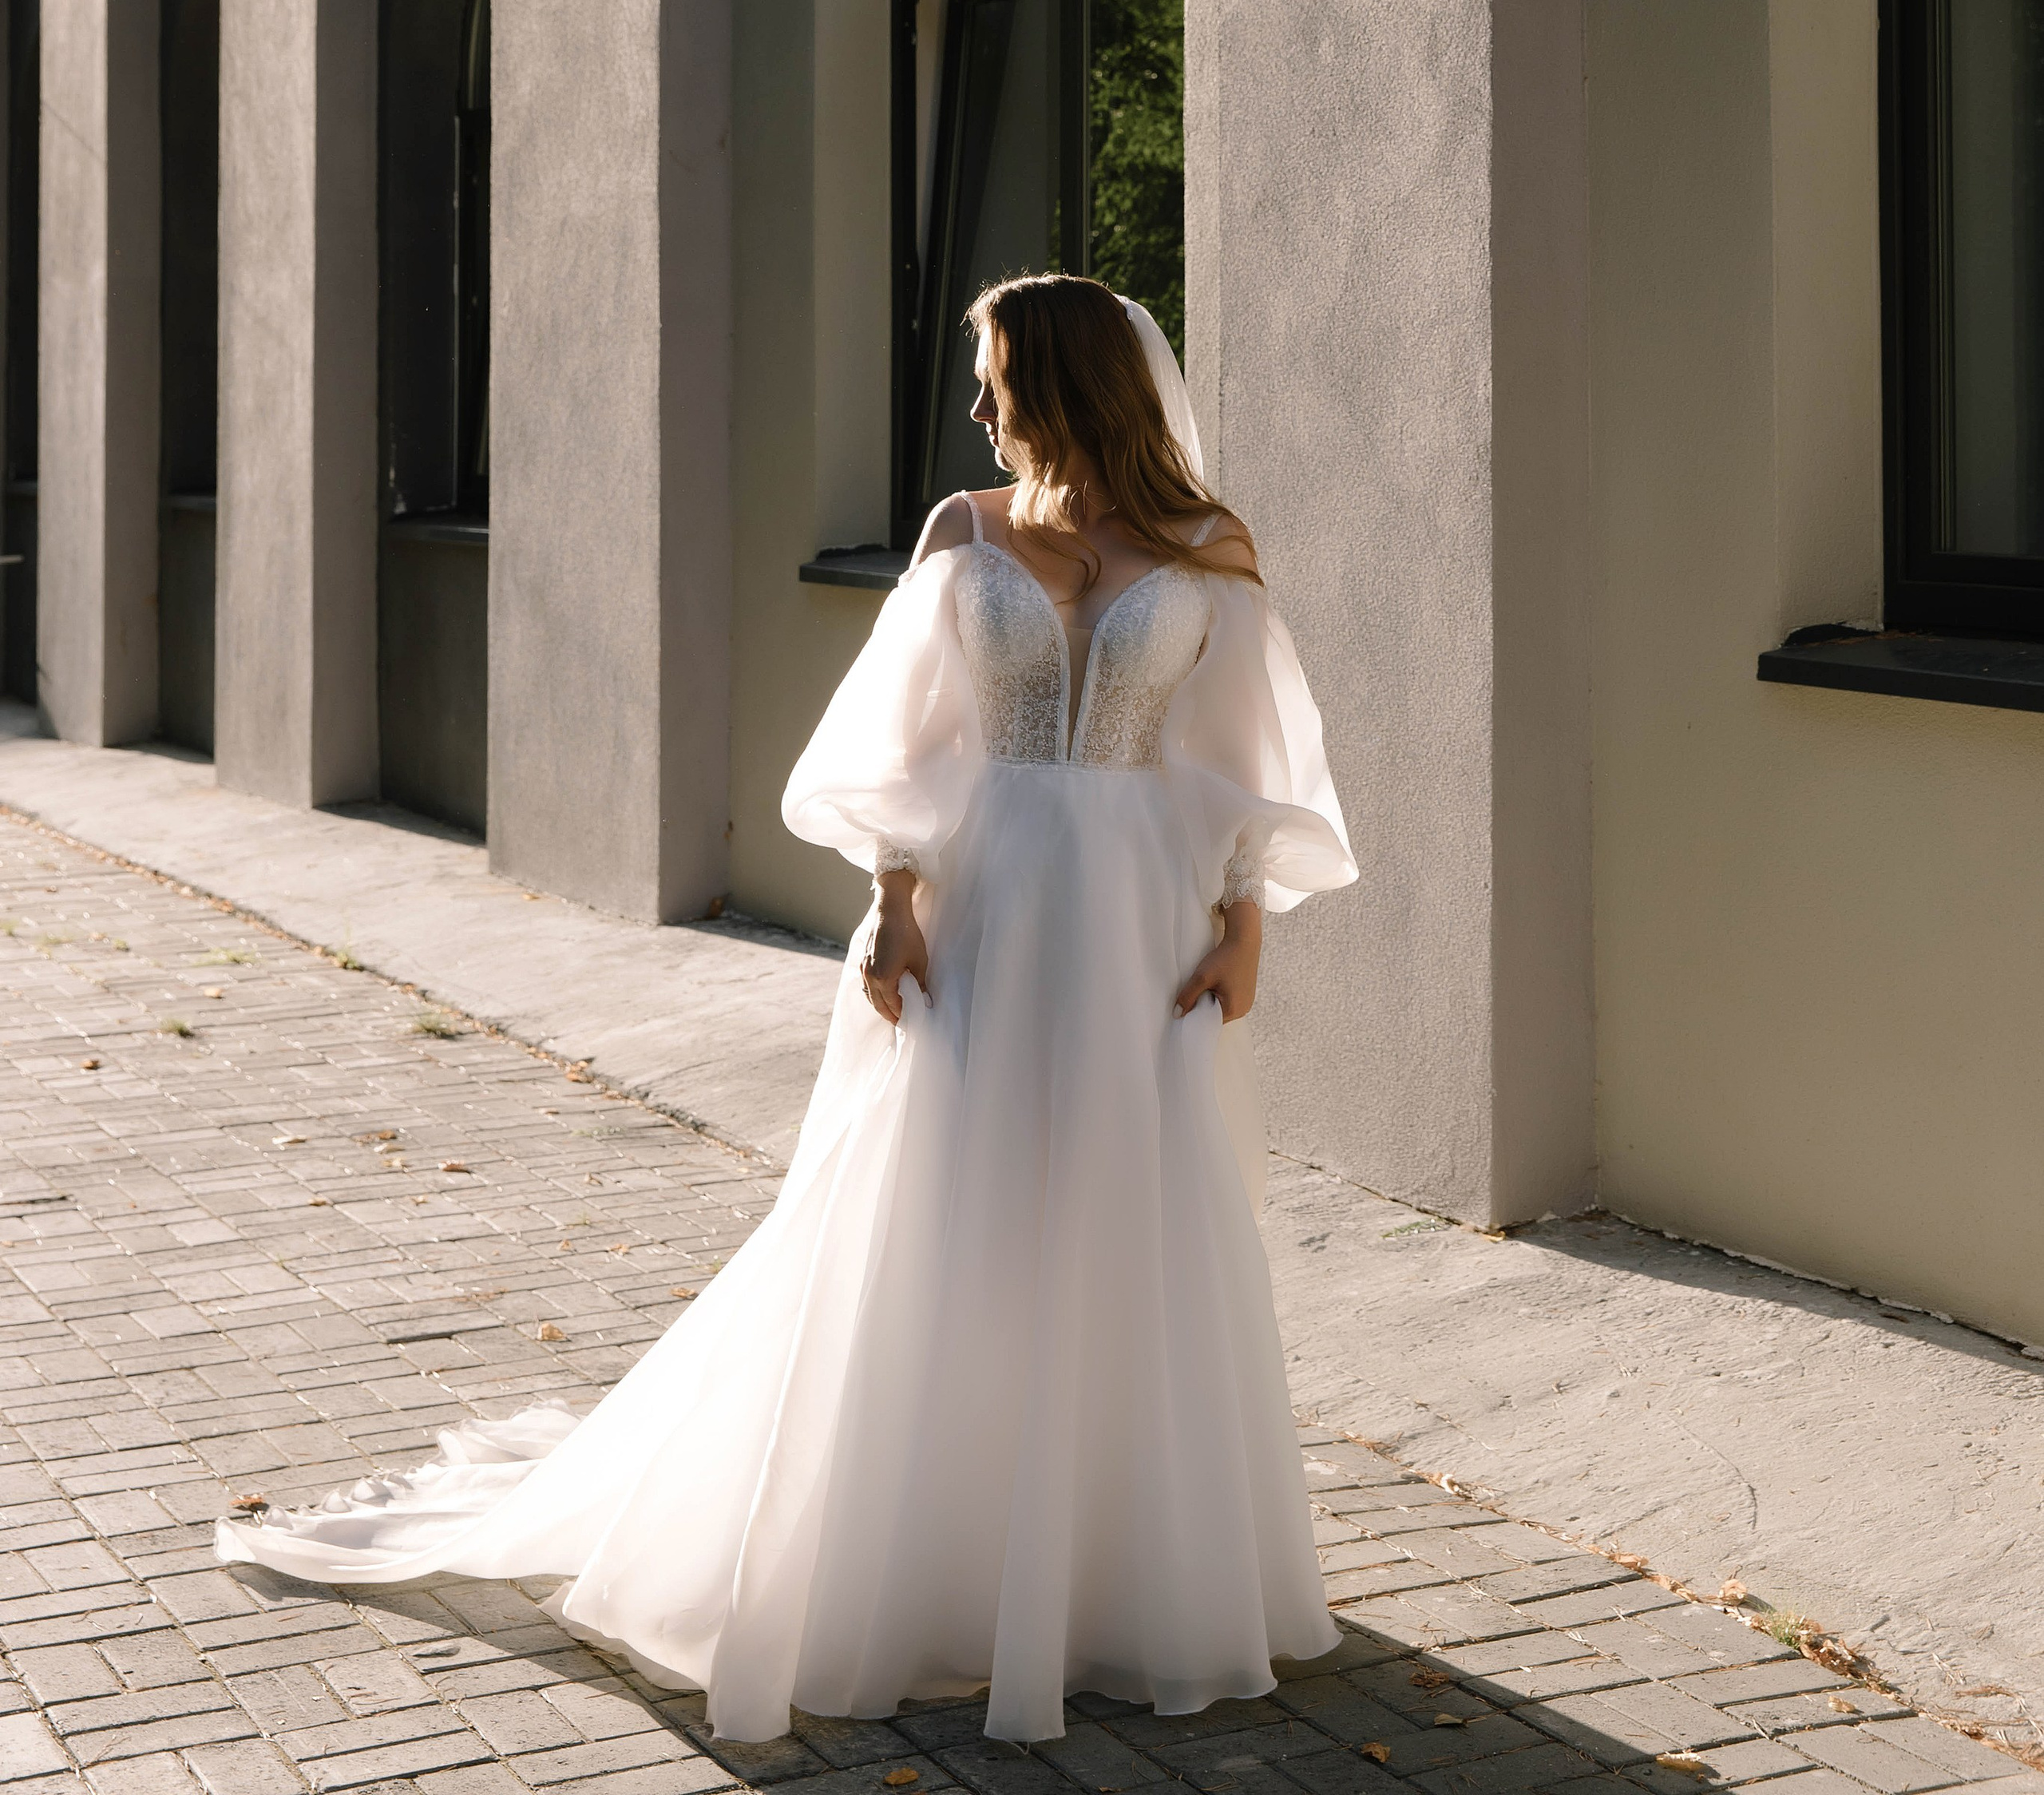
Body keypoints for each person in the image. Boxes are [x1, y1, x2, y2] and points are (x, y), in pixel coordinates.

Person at [217, 274, 1359, 1748]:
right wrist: (893, 897)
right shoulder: (962, 535)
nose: (978, 404)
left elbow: (1244, 757)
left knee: (1130, 1208)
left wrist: (1247, 923)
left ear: (1066, 381)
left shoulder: (1212, 549)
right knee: (947, 1201)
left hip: (1140, 924)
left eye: (997, 376)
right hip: (986, 910)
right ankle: (942, 1555)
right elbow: (902, 743)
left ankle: (1117, 1571)